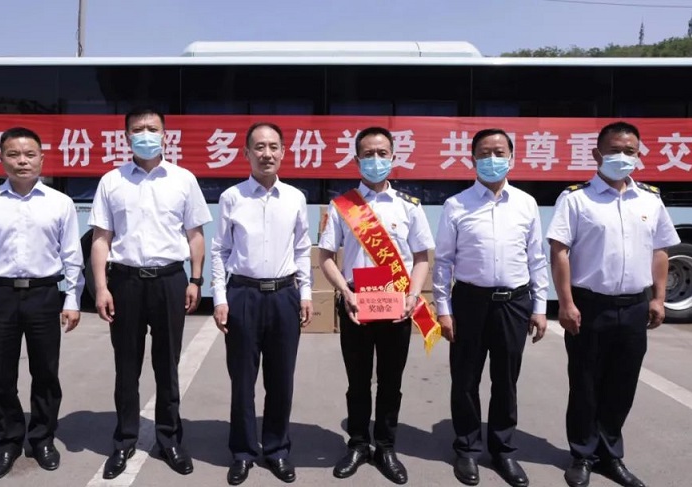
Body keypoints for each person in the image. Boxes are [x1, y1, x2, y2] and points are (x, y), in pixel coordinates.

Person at [546, 121, 680, 487]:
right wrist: (566, 303)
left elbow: (660, 251)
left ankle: (610, 455)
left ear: (639, 155)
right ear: (597, 154)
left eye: (630, 151)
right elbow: (560, 252)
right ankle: (582, 454)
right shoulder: (576, 199)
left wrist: (659, 298)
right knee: (585, 383)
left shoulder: (650, 200)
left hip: (634, 306)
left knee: (623, 383)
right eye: (615, 150)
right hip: (590, 306)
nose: (622, 157)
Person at [88, 108, 212, 480]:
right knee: (126, 367)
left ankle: (169, 439)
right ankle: (125, 440)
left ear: (165, 134)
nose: (146, 134)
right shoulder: (112, 181)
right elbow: (101, 238)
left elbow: (195, 235)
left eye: (152, 128)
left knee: (167, 365)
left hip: (170, 281)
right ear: (127, 136)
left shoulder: (183, 179)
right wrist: (101, 287)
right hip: (125, 283)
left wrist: (196, 280)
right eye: (138, 129)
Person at [0, 126, 84, 480]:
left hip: (44, 295)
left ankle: (42, 438)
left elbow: (72, 257)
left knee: (45, 373)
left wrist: (72, 299)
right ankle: (9, 440)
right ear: (1, 159)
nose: (22, 161)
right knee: (1, 375)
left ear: (41, 158)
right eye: (13, 154)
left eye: (29, 154)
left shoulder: (60, 203)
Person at [318, 126, 435, 485]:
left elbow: (421, 257)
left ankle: (385, 446)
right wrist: (346, 293)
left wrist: (413, 294)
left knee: (390, 381)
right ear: (356, 160)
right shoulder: (342, 206)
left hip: (397, 303)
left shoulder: (409, 206)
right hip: (356, 303)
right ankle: (357, 444)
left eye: (382, 153)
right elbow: (325, 257)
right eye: (368, 154)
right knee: (357, 381)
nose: (376, 159)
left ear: (393, 157)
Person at [432, 128, 549, 487]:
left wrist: (540, 306)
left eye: (499, 152)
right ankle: (467, 449)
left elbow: (536, 258)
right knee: (465, 379)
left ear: (512, 157)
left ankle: (503, 450)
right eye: (484, 153)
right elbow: (443, 261)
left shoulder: (526, 203)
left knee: (506, 380)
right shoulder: (457, 205)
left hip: (514, 303)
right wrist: (443, 309)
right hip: (470, 302)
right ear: (472, 159)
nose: (492, 159)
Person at [210, 122, 313, 485]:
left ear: (283, 152)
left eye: (273, 147)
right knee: (242, 380)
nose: (266, 154)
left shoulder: (295, 198)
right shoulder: (232, 197)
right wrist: (219, 298)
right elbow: (220, 251)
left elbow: (302, 249)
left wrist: (305, 293)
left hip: (284, 295)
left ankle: (277, 449)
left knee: (281, 379)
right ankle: (242, 451)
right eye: (259, 147)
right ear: (247, 153)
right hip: (243, 295)